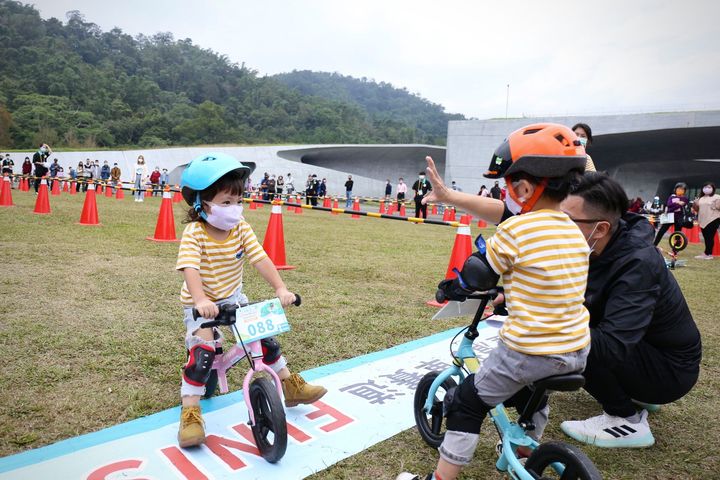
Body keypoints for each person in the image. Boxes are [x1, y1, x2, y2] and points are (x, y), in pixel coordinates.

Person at [398, 124, 590, 480]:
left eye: (508, 186)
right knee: (532, 393)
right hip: (575, 349)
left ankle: (442, 477)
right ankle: (523, 445)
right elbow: (548, 282)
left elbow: (476, 275)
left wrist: (451, 288)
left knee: (466, 403)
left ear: (526, 187)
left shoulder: (516, 230)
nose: (506, 194)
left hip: (529, 350)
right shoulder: (574, 231)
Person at [176, 153, 327, 447]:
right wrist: (200, 299)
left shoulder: (241, 227)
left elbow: (259, 258)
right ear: (201, 203)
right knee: (203, 354)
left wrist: (281, 288)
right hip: (202, 305)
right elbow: (189, 268)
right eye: (225, 202)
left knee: (264, 337)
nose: (234, 209)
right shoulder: (195, 232)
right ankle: (191, 410)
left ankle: (289, 385)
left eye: (238, 201)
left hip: (234, 298)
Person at [559, 173, 701, 448]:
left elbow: (612, 344)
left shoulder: (637, 263)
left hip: (670, 372)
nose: (554, 228)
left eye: (564, 221)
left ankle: (625, 419)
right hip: (647, 351)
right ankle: (632, 392)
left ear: (600, 229)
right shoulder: (597, 246)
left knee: (565, 337)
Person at [653, 182, 689, 246]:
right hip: (669, 217)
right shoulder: (672, 197)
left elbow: (677, 206)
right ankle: (654, 244)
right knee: (662, 231)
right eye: (678, 189)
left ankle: (675, 250)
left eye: (682, 189)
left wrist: (675, 205)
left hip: (679, 218)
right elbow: (669, 205)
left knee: (677, 234)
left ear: (684, 191)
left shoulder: (685, 199)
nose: (680, 190)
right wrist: (678, 203)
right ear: (675, 189)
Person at [692, 182, 720, 259]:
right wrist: (695, 204)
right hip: (702, 220)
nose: (706, 188)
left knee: (709, 237)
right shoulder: (701, 198)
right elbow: (696, 209)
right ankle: (706, 253)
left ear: (713, 189)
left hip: (713, 219)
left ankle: (709, 254)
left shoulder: (717, 197)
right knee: (706, 237)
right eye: (705, 187)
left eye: (709, 187)